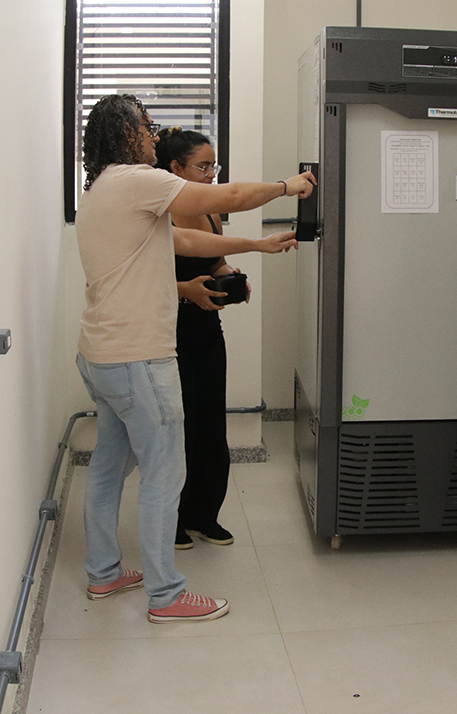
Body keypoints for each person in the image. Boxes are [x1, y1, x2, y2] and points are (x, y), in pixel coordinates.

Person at [74, 94, 314, 624]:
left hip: (101, 354)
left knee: (110, 467)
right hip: (138, 357)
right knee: (165, 471)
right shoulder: (138, 180)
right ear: (127, 133)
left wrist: (256, 246)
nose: (154, 137)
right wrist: (286, 187)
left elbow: (179, 237)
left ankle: (104, 572)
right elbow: (221, 194)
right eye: (146, 127)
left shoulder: (100, 191)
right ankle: (166, 595)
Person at [154, 126, 296, 550]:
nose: (211, 174)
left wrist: (229, 278)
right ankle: (173, 520)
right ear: (175, 168)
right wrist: (187, 290)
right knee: (179, 427)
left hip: (205, 329)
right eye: (203, 166)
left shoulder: (210, 211)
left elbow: (213, 257)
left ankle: (204, 515)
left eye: (214, 165)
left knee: (211, 421)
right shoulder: (159, 210)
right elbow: (148, 277)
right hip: (169, 330)